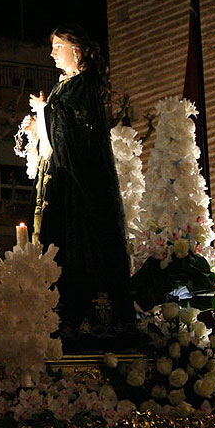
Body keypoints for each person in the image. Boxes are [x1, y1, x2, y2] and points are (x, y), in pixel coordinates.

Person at [26, 24, 136, 352]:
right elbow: (57, 133)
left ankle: (89, 327)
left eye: (58, 45)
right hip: (60, 183)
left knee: (79, 248)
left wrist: (46, 113)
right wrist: (40, 122)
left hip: (80, 188)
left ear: (77, 48)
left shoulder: (84, 84)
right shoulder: (66, 86)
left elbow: (77, 135)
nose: (52, 52)